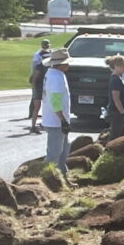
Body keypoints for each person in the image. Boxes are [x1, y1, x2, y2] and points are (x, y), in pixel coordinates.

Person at [41, 48, 72, 180]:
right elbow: (55, 101)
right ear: (60, 64)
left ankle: (62, 178)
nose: (68, 64)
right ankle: (45, 178)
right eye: (66, 62)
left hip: (57, 120)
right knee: (54, 153)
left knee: (64, 150)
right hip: (56, 121)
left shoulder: (56, 74)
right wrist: (63, 120)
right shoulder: (56, 78)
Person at [105, 54, 124, 139]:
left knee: (120, 135)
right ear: (116, 66)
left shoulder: (119, 79)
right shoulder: (115, 80)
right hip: (116, 113)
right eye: (123, 66)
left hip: (119, 113)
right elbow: (116, 98)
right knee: (115, 136)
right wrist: (122, 113)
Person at [28, 39, 50, 134]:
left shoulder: (49, 67)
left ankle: (44, 123)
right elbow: (34, 78)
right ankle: (33, 126)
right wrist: (34, 89)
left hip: (45, 87)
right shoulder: (39, 66)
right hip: (38, 87)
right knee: (37, 107)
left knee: (46, 107)